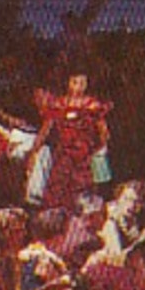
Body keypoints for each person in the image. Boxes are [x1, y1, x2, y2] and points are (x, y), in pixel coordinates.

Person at [34, 73, 111, 211]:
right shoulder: (59, 104)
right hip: (63, 153)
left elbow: (103, 130)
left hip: (85, 154)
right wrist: (35, 149)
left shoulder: (92, 105)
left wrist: (101, 149)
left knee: (82, 189)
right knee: (58, 186)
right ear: (69, 83)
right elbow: (46, 129)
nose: (78, 86)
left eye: (82, 82)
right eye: (75, 82)